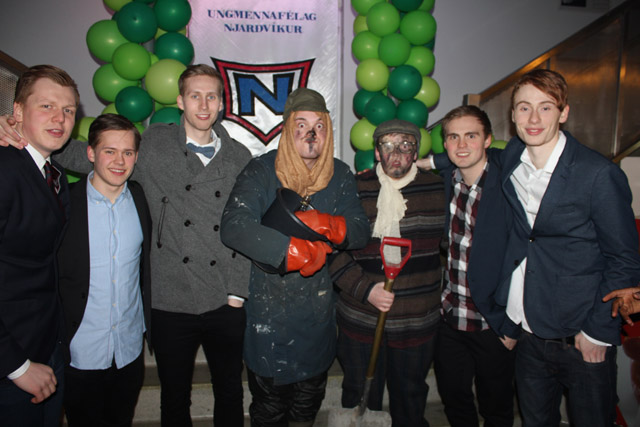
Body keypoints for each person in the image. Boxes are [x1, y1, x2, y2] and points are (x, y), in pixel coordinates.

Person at [0, 64, 252, 426]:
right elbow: (95, 152)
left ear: (222, 103)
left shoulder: (239, 156)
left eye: (211, 96)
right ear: (180, 101)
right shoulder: (154, 144)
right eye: (195, 95)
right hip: (169, 299)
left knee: (230, 391)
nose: (203, 104)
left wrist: (236, 294)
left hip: (221, 298)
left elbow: (245, 225)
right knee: (174, 396)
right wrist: (16, 130)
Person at [220, 87, 370, 427]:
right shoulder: (261, 170)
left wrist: (330, 224)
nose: (311, 134)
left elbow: (361, 230)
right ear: (287, 128)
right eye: (301, 125)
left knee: (306, 407)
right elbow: (234, 225)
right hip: (268, 314)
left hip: (317, 316)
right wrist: (289, 251)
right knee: (269, 409)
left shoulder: (340, 174)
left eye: (319, 126)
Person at [499, 69, 640, 426]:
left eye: (545, 107)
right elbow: (472, 156)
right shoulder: (513, 158)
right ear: (513, 114)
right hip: (530, 330)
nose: (533, 119)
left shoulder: (597, 173)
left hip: (580, 335)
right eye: (524, 107)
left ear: (564, 113)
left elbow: (624, 258)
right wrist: (431, 161)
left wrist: (598, 332)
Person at [328, 118, 445, 426]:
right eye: (388, 145)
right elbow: (331, 251)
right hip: (361, 318)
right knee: (359, 395)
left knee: (411, 398)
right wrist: (366, 290)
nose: (396, 153)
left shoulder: (438, 187)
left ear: (416, 152)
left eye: (406, 145)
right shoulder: (353, 189)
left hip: (417, 319)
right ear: (377, 152)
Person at [56, 114, 151, 426]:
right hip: (80, 353)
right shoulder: (63, 206)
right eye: (109, 151)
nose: (119, 161)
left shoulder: (141, 199)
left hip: (128, 350)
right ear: (91, 153)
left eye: (128, 152)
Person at [0, 64, 78, 426]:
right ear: (17, 112)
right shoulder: (5, 170)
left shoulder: (53, 174)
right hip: (13, 365)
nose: (59, 118)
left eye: (68, 110)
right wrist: (16, 366)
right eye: (46, 106)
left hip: (47, 349)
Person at [429, 106, 516, 426]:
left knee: (497, 408)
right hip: (451, 316)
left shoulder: (509, 185)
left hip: (493, 322)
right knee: (455, 401)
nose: (462, 145)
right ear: (445, 144)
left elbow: (523, 258)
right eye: (453, 137)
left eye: (471, 136)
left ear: (488, 140)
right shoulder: (445, 182)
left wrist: (512, 324)